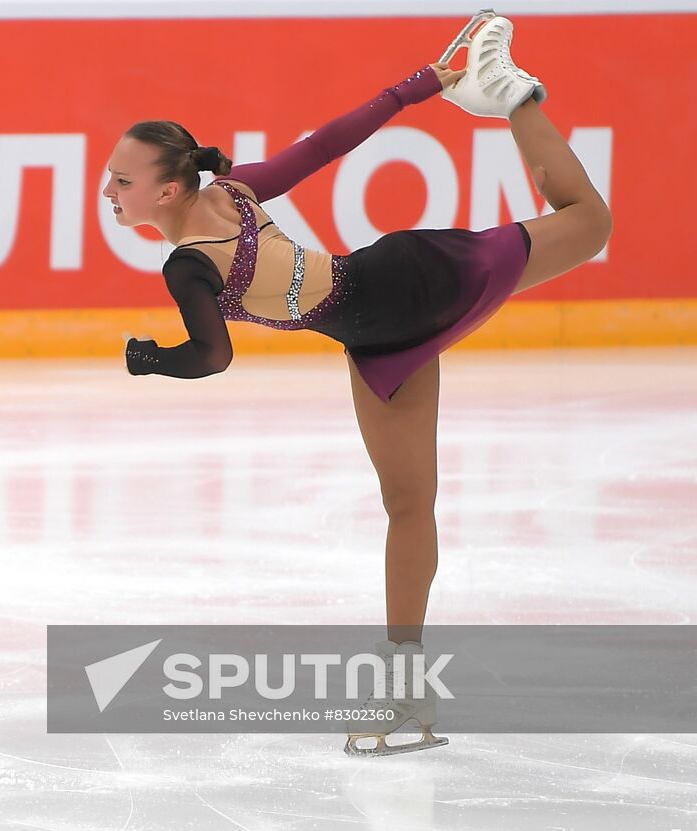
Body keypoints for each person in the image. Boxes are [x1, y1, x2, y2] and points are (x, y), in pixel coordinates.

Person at [107, 11, 612, 755]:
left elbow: (211, 357)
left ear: (172, 189)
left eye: (123, 180)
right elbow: (323, 144)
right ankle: (407, 695)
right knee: (408, 505)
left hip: (409, 287)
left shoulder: (189, 264)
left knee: (589, 224)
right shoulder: (232, 194)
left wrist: (148, 357)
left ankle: (513, 94)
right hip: (372, 337)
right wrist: (411, 89)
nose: (108, 191)